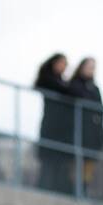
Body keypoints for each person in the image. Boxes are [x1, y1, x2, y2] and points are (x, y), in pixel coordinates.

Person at [65, 57, 103, 198]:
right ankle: (72, 192)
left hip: (92, 137)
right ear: (81, 67)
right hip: (76, 133)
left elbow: (100, 111)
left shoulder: (95, 89)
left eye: (93, 67)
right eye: (89, 66)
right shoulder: (74, 85)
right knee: (74, 167)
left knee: (88, 169)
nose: (91, 70)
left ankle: (83, 192)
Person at [34, 52, 73, 194]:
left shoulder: (62, 81)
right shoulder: (48, 79)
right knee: (48, 162)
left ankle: (56, 190)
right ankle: (43, 190)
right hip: (51, 126)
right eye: (62, 63)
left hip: (62, 129)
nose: (64, 67)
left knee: (60, 163)